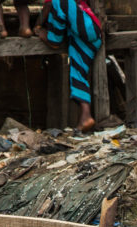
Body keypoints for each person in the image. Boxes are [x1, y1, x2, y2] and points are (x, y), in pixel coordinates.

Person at [35, 0, 102, 132]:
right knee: (77, 74)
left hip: (87, 28)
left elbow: (49, 5)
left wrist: (37, 26)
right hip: (86, 36)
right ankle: (86, 116)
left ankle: (54, 38)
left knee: (59, 2)